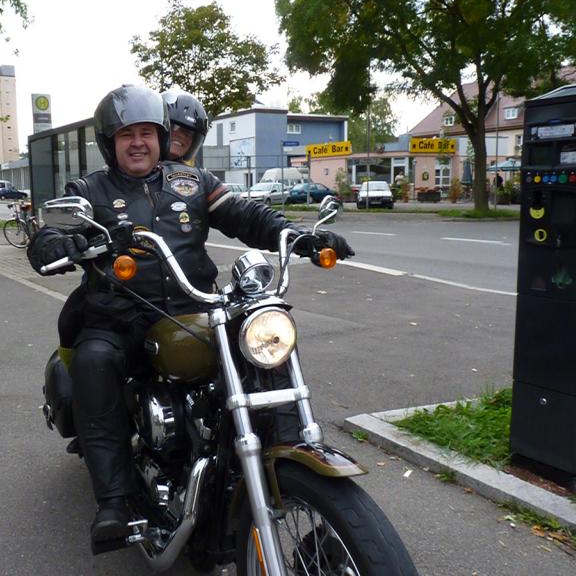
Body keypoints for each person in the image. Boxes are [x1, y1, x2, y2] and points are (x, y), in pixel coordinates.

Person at [27, 84, 354, 552]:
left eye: (146, 133)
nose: (137, 143)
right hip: (120, 315)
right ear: (109, 143)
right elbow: (47, 236)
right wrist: (57, 243)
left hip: (193, 310)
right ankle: (115, 501)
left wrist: (297, 235)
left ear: (161, 137)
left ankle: (288, 460)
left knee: (264, 341)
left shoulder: (192, 181)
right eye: (126, 135)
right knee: (94, 361)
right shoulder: (89, 190)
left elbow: (245, 215)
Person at [161, 90, 208, 163]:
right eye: (172, 127)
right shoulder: (142, 166)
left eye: (187, 132)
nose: (181, 135)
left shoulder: (194, 171)